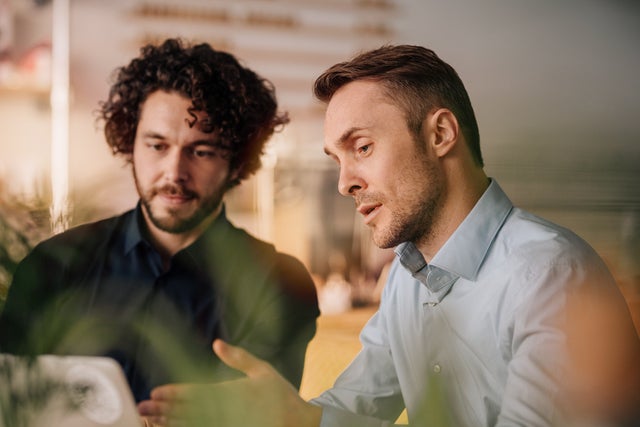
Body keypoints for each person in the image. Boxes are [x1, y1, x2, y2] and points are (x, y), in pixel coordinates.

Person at [138, 45, 640, 426]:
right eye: (337, 159)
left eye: (362, 147)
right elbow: (355, 408)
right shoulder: (407, 276)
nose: (344, 182)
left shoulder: (550, 277)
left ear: (440, 135)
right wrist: (294, 417)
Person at [0, 38, 319, 403]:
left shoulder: (279, 283)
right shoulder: (53, 265)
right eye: (157, 146)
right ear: (129, 144)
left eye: (201, 151)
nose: (174, 172)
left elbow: (269, 412)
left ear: (237, 162)